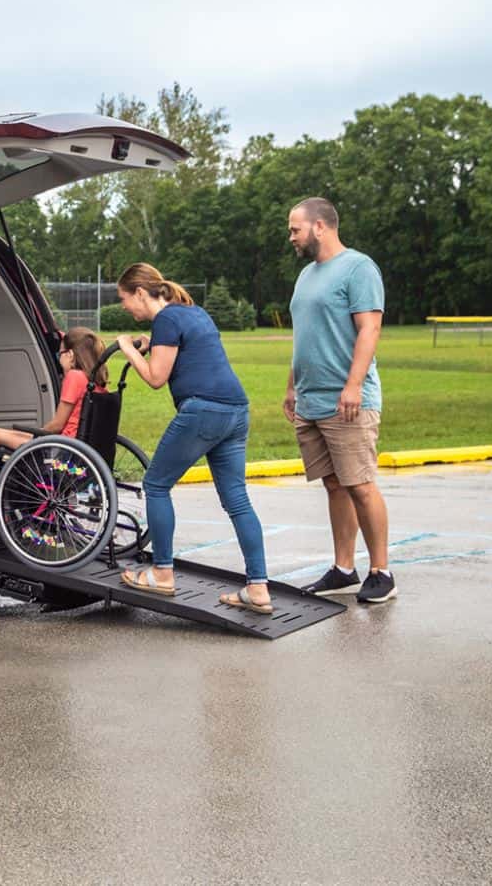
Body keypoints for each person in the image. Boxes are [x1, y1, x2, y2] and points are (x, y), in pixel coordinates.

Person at [112, 263, 271, 613]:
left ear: (140, 293)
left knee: (155, 485)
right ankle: (258, 588)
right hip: (236, 410)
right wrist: (149, 342)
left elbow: (156, 377)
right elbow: (185, 347)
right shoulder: (193, 312)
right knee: (237, 500)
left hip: (204, 412)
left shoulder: (165, 319)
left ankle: (162, 573)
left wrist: (128, 348)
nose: (125, 307)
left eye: (125, 299)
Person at [284, 196, 395, 603]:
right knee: (333, 484)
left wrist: (353, 385)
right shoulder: (306, 276)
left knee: (360, 484)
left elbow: (370, 330)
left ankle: (381, 571)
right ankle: (343, 568)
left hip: (348, 399)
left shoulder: (358, 268)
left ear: (319, 226)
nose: (291, 237)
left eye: (295, 228)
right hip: (311, 398)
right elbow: (304, 336)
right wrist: (292, 386)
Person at [0, 327, 107, 520]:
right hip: (80, 448)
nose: (59, 358)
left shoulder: (74, 377)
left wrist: (37, 433)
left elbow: (57, 425)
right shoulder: (95, 381)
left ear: (71, 355)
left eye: (60, 353)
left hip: (61, 448)